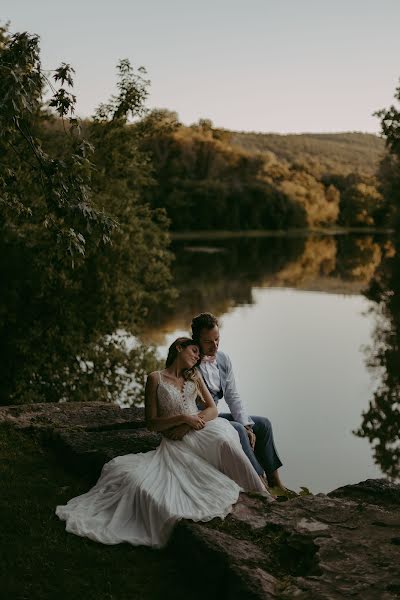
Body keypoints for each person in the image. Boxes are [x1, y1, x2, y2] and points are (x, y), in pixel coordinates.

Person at [55, 337, 271, 549]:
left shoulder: (194, 375)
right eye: (194, 351)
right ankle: (250, 488)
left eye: (198, 354)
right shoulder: (155, 378)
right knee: (185, 470)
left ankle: (261, 493)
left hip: (200, 427)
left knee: (224, 441)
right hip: (176, 440)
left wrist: (190, 422)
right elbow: (152, 423)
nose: (197, 357)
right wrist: (182, 419)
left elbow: (212, 409)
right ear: (179, 348)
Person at [190, 313, 285, 490]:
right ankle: (259, 482)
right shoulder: (189, 363)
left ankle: (275, 482)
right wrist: (243, 428)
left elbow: (232, 396)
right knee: (239, 430)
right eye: (208, 342)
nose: (215, 346)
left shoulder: (223, 359)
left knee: (263, 424)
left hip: (215, 416)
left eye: (217, 339)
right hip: (199, 420)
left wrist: (248, 425)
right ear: (196, 340)